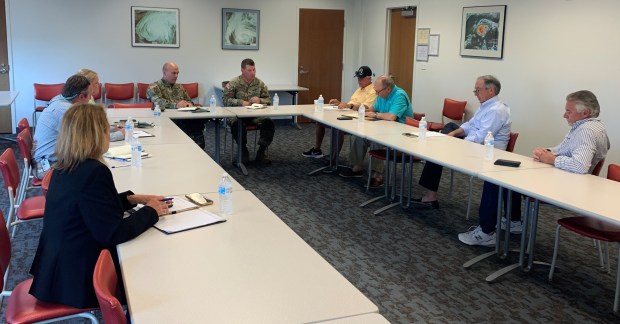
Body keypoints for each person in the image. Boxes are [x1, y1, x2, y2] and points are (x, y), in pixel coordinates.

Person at [29, 104, 170, 309]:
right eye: (106, 129)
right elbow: (112, 233)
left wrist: (130, 199)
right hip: (78, 279)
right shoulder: (94, 172)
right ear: (96, 134)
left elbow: (90, 208)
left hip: (56, 269)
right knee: (153, 263)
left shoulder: (65, 164)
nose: (109, 134)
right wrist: (152, 212)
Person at [458, 90, 610, 246]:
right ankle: (513, 221)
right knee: (509, 176)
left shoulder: (586, 131)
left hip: (569, 187)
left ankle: (486, 232)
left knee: (495, 179)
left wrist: (552, 159)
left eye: (568, 111)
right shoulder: (588, 126)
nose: (564, 115)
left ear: (584, 113)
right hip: (568, 179)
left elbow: (580, 165)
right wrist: (547, 152)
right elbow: (564, 149)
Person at [415, 75, 511, 209]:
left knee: (436, 151)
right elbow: (469, 125)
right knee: (449, 127)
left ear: (491, 91)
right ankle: (442, 142)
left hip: (486, 152)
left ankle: (430, 195)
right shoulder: (486, 106)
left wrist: (456, 143)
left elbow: (481, 138)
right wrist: (453, 134)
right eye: (475, 91)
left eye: (478, 90)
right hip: (473, 143)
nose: (476, 94)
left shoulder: (497, 110)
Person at [339, 75, 413, 188]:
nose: (377, 94)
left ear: (388, 89)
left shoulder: (399, 96)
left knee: (376, 140)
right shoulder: (381, 94)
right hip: (384, 127)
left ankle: (377, 176)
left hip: (400, 133)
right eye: (375, 91)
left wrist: (374, 114)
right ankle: (356, 168)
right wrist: (360, 111)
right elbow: (373, 109)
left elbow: (391, 116)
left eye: (378, 91)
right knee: (361, 136)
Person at [302, 66, 377, 162]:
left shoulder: (373, 91)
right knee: (320, 123)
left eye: (361, 78)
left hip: (360, 120)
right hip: (350, 115)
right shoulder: (360, 89)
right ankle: (317, 150)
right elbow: (351, 104)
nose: (359, 81)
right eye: (358, 78)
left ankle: (333, 159)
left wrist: (348, 106)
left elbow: (365, 108)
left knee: (337, 128)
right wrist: (340, 103)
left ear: (369, 78)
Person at [33, 74, 92, 179]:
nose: (89, 100)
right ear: (81, 96)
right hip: (47, 167)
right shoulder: (67, 111)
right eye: (89, 96)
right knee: (95, 171)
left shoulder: (59, 99)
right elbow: (90, 137)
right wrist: (119, 134)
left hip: (45, 160)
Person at [223, 58, 274, 164]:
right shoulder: (234, 83)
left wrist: (260, 100)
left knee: (268, 123)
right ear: (242, 70)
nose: (252, 73)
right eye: (249, 70)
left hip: (255, 115)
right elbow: (225, 100)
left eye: (254, 70)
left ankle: (261, 152)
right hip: (237, 116)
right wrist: (241, 102)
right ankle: (243, 150)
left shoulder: (259, 83)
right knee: (237, 125)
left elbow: (268, 101)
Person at [147, 62, 206, 148]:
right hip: (166, 121)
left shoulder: (179, 87)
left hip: (184, 119)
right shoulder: (154, 87)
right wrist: (175, 105)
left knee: (198, 122)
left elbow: (189, 101)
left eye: (177, 73)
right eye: (173, 73)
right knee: (194, 126)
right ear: (164, 73)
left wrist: (189, 104)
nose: (176, 76)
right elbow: (158, 102)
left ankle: (198, 149)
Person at [76, 68, 125, 141]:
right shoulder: (82, 104)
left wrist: (112, 129)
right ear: (88, 85)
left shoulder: (90, 98)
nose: (99, 85)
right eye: (96, 83)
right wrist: (120, 134)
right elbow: (90, 138)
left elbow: (95, 128)